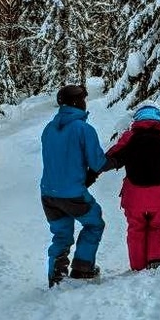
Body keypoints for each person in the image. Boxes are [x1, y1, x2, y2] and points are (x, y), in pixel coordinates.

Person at [40, 84, 112, 287]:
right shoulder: (83, 129)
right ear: (76, 102)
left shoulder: (49, 128)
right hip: (73, 194)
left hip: (48, 194)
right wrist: (114, 161)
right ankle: (83, 268)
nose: (85, 102)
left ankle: (56, 275)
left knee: (61, 234)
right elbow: (98, 162)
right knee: (94, 223)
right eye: (83, 99)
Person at [106, 103, 160, 271]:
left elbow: (111, 156)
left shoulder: (128, 137)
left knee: (135, 228)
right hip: (159, 194)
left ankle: (137, 266)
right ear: (158, 118)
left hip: (134, 195)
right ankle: (156, 262)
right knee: (157, 226)